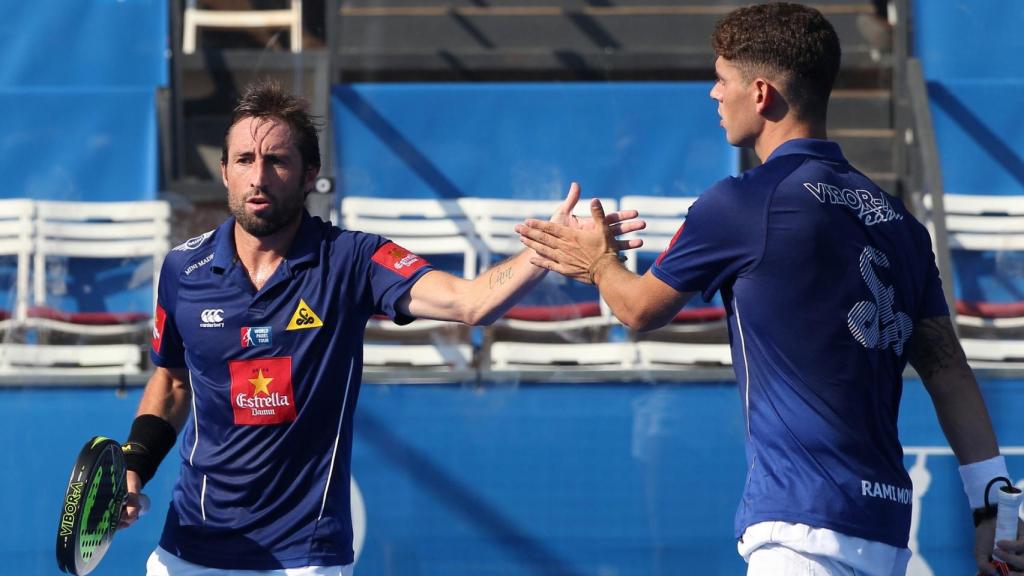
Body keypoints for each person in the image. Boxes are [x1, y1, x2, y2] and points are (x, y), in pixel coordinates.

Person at [516, 3, 1007, 575]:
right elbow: (948, 371)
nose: (712, 94)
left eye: (722, 80)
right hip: (886, 536)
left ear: (762, 93)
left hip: (797, 534)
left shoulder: (742, 201)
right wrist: (990, 508)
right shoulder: (901, 223)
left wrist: (599, 261)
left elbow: (637, 309)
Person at [117, 78, 644, 575]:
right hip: (190, 548)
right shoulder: (181, 271)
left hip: (305, 553)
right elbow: (172, 381)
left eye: (277, 161)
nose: (258, 176)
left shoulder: (353, 258)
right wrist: (136, 460)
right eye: (244, 160)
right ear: (225, 171)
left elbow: (469, 302)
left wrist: (545, 251)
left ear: (308, 174)